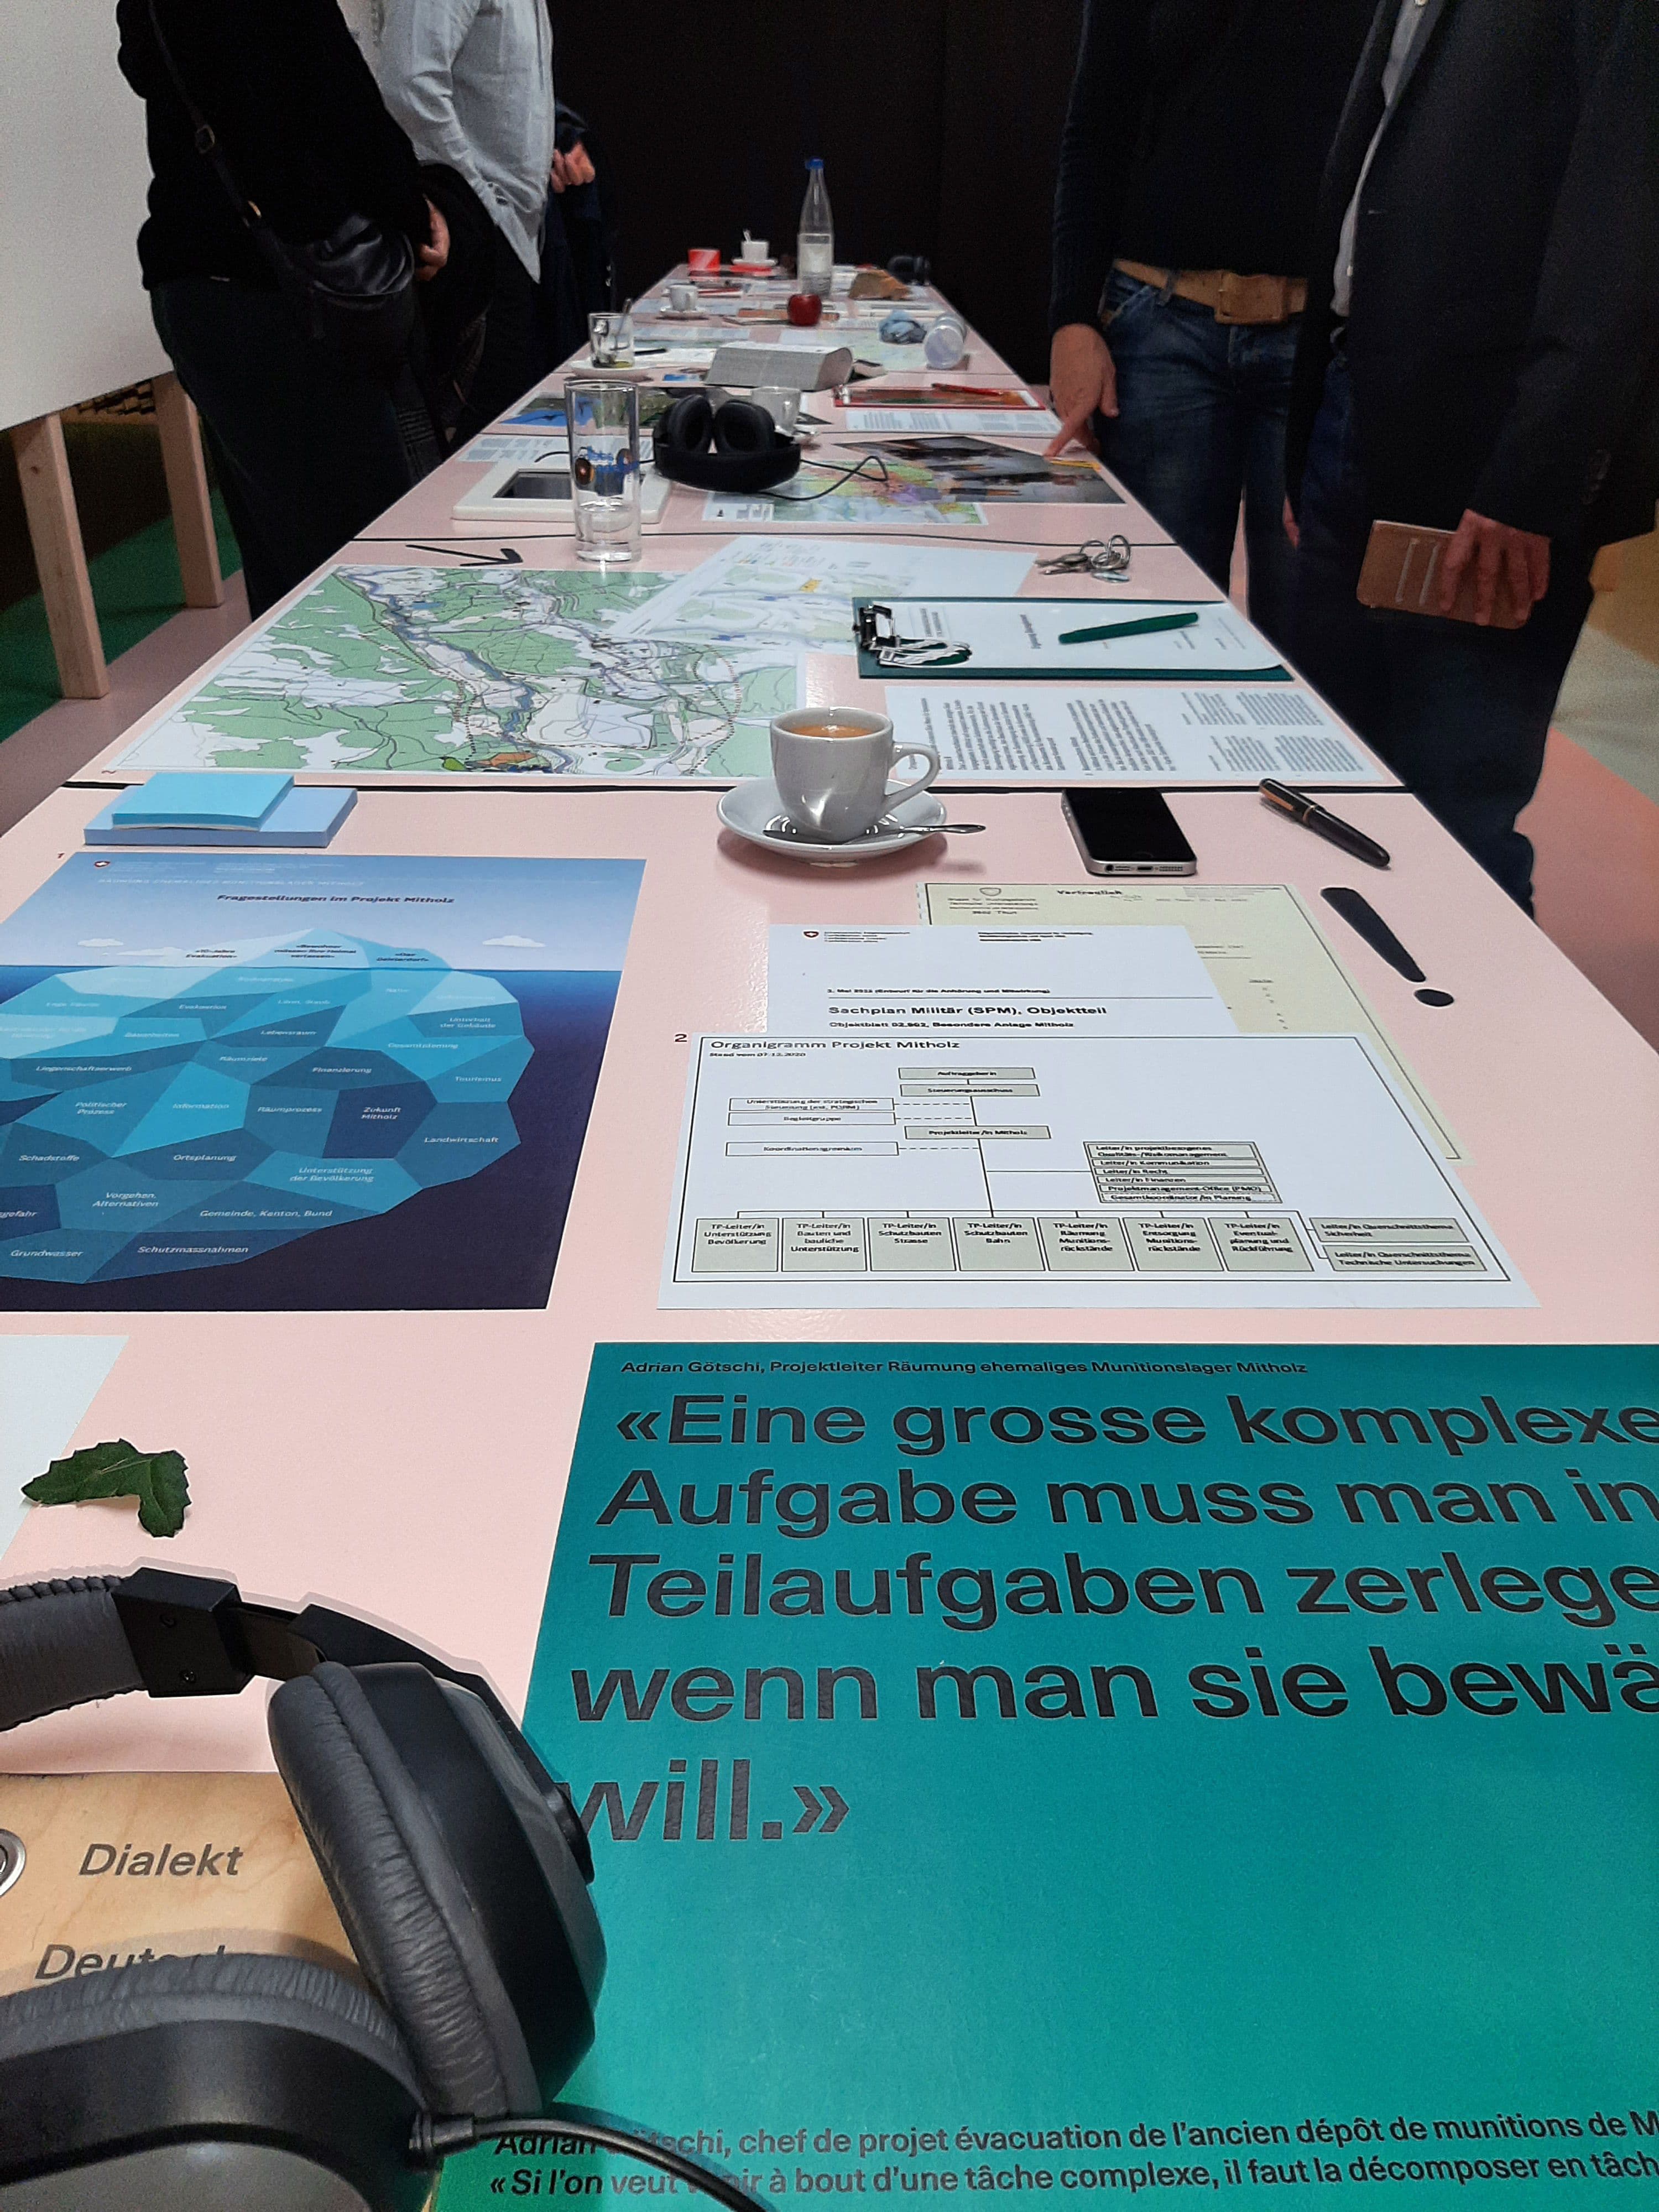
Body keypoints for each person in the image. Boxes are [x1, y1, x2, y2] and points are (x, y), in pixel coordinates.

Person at [1284, 0, 1659, 911]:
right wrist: (1308, 429)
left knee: (1455, 819)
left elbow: (1623, 233)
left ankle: (1471, 1005)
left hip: (1489, 469)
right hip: (1351, 411)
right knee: (1326, 787)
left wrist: (1532, 480)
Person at [1047, 0, 1376, 650]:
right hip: (1160, 324)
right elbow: (1096, 126)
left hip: (1324, 340)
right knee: (1148, 632)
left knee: (1312, 653)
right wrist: (1071, 318)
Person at [117, 0, 450, 619]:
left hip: (197, 291)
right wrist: (415, 210)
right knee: (374, 575)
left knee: (287, 573)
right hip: (289, 294)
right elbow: (339, 108)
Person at [374, 0, 557, 437]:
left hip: (514, 237)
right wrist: (480, 204)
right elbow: (409, 86)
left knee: (507, 445)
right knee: (477, 453)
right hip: (472, 242)